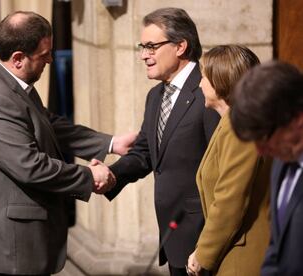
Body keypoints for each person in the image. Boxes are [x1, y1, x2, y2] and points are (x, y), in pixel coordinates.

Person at [0, 11, 135, 276]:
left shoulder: (2, 76)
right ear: (18, 58)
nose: (51, 60)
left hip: (4, 242)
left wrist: (110, 143)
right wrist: (90, 175)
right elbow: (30, 166)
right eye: (44, 56)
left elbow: (44, 122)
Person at [104, 8, 220, 275]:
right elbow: (144, 153)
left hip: (202, 242)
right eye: (142, 47)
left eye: (152, 46)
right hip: (173, 236)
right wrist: (110, 174)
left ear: (180, 46)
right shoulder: (156, 95)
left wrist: (209, 244)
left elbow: (222, 172)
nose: (144, 55)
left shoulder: (209, 91)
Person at [186, 45, 271, 275]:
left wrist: (203, 253)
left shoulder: (241, 126)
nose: (199, 84)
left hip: (244, 256)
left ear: (221, 81)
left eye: (203, 78)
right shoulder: (231, 121)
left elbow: (230, 199)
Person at [230, 61, 303, 276]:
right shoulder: (281, 161)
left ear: (297, 119)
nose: (260, 151)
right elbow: (276, 249)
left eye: (263, 138)